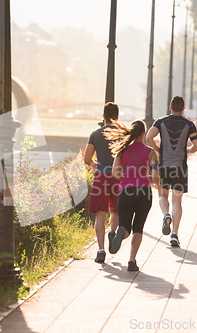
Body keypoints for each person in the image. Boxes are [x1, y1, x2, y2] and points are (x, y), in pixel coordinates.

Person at [146, 96, 197, 247]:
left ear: (170, 107)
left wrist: (157, 149)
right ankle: (174, 234)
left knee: (163, 195)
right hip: (180, 167)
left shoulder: (161, 121)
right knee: (177, 201)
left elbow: (149, 136)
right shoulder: (189, 124)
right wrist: (187, 150)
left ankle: (166, 215)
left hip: (164, 166)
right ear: (183, 109)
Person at [105, 120, 160, 271]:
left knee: (125, 226)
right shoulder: (149, 152)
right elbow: (154, 174)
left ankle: (121, 232)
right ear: (144, 133)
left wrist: (125, 179)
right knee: (138, 228)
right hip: (143, 191)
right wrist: (158, 185)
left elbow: (115, 173)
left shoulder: (122, 150)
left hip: (125, 191)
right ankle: (131, 261)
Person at [84, 102, 120, 263]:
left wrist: (95, 166)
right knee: (115, 210)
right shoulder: (123, 135)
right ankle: (112, 231)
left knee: (101, 214)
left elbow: (87, 158)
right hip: (118, 176)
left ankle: (100, 250)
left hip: (101, 176)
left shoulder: (95, 134)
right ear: (117, 117)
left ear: (103, 116)